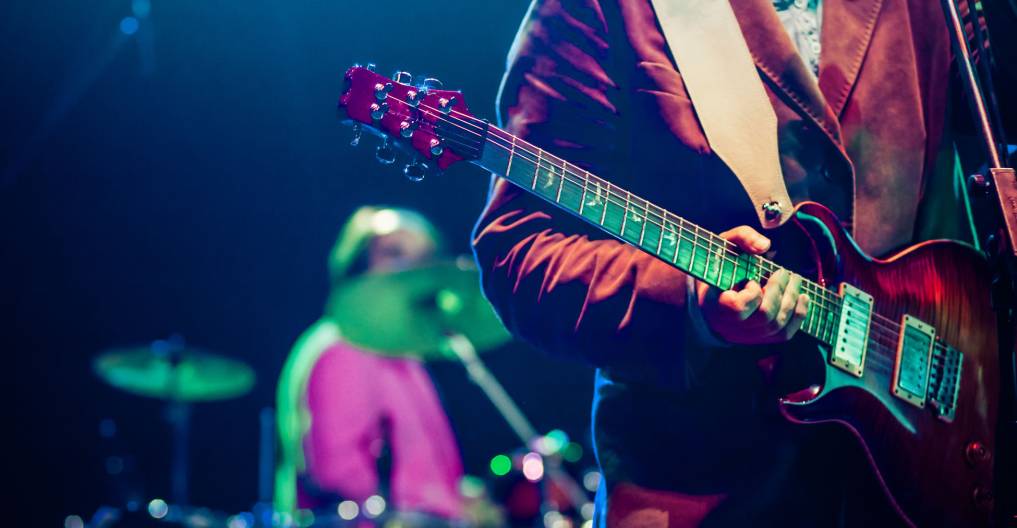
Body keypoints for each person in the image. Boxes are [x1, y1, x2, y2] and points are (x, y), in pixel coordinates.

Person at [471, 0, 1014, 526]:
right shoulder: (604, 7)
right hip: (703, 479)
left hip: (920, 467)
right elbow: (519, 249)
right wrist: (691, 302)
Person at [276, 206, 464, 525]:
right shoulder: (345, 346)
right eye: (394, 254)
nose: (413, 272)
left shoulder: (406, 358)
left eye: (425, 259)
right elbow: (336, 474)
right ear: (358, 266)